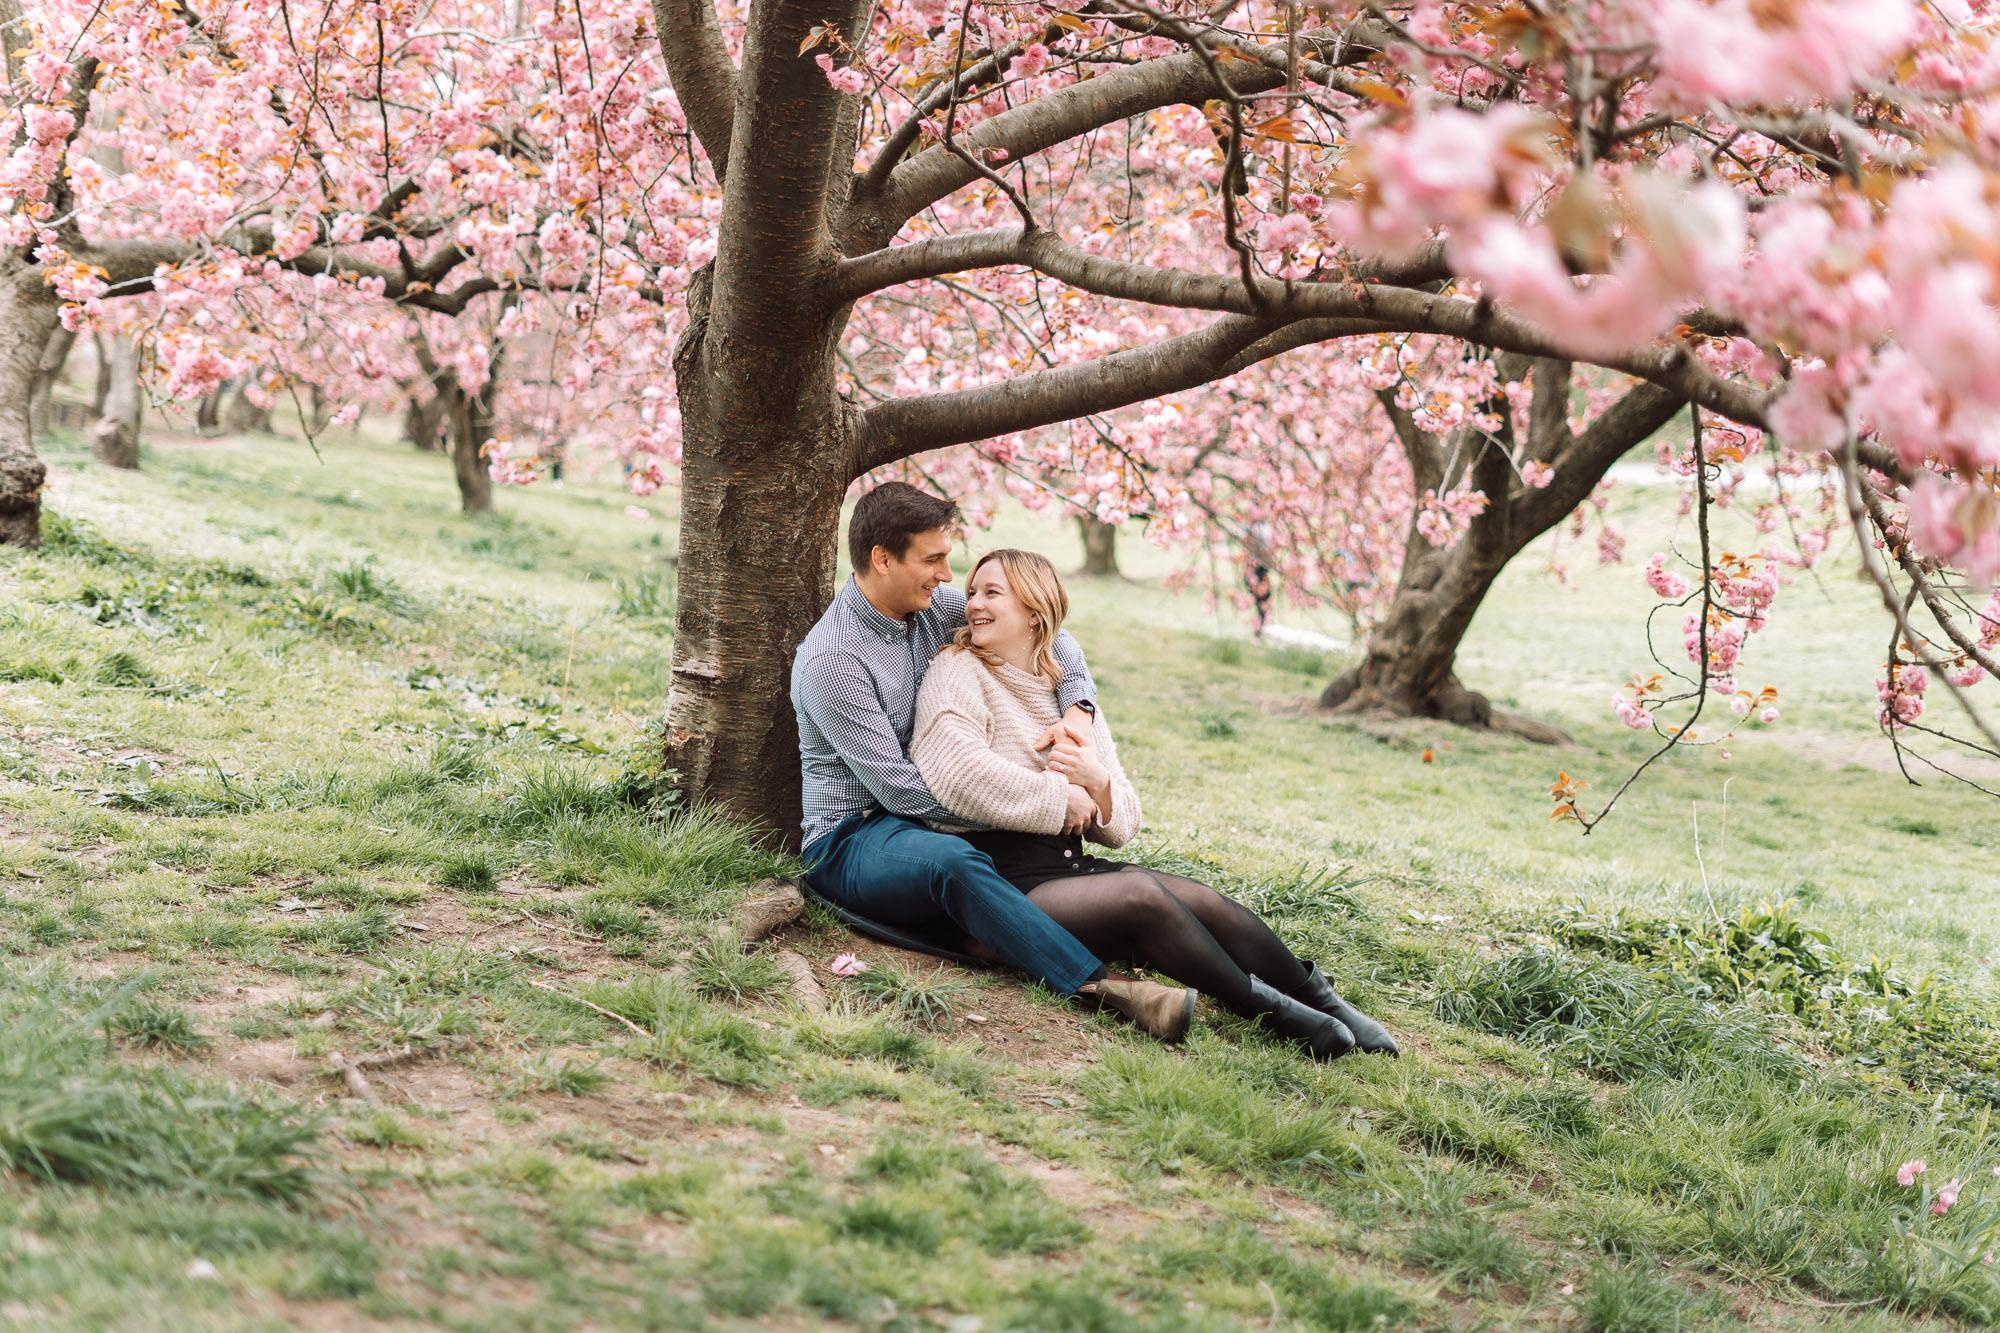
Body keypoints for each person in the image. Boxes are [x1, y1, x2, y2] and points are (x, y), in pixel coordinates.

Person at [909, 548, 1398, 1061]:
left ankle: (1322, 999)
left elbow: (1125, 819)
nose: (974, 605)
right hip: (999, 878)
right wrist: (1061, 798)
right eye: (971, 593)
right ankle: (1276, 1013)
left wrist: (1098, 786)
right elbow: (958, 775)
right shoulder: (957, 669)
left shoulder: (1069, 696)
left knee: (1203, 901)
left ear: (1035, 610)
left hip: (1066, 865)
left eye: (992, 593)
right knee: (1142, 893)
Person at [792, 483, 1197, 1042]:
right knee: (952, 860)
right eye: (932, 559)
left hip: (930, 826)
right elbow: (901, 793)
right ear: (883, 559)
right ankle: (1105, 988)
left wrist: (1078, 711)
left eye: (946, 556)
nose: (946, 574)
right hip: (852, 837)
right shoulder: (832, 659)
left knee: (971, 857)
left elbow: (1054, 633)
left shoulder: (931, 609)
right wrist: (1047, 803)